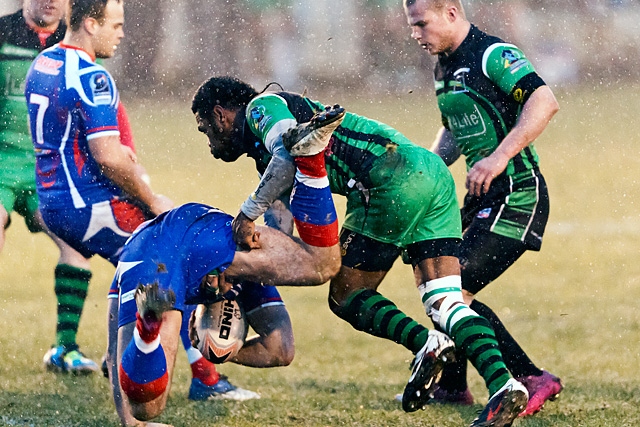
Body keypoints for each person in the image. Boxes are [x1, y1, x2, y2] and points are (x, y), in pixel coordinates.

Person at [191, 75, 529, 427]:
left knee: (346, 296)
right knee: (445, 303)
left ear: (220, 115)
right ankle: (503, 384)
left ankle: (426, 343)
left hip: (384, 179)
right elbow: (280, 234)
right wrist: (246, 275)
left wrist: (247, 212)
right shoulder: (267, 165)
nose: (211, 145)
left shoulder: (261, 107)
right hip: (430, 174)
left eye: (206, 132)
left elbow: (289, 150)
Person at [21, 0, 251, 402]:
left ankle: (125, 355)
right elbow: (108, 157)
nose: (122, 32)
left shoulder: (42, 63)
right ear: (91, 24)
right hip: (88, 207)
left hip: (55, 202)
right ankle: (203, 380)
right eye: (116, 23)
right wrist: (151, 198)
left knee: (145, 269)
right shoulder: (92, 76)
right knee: (169, 261)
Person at [108, 125, 341, 425]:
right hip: (158, 251)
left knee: (138, 415)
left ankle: (147, 330)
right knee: (143, 411)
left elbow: (281, 351)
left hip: (198, 240)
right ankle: (310, 159)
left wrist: (222, 351)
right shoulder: (246, 268)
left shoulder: (245, 274)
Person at [403, 0, 563, 417]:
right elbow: (455, 133)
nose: (416, 34)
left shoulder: (492, 54)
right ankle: (455, 388)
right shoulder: (442, 66)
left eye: (422, 23)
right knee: (436, 280)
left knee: (453, 292)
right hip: (480, 200)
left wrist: (499, 157)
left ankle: (531, 377)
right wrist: (425, 169)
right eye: (412, 26)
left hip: (517, 194)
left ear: (451, 13)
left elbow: (544, 102)